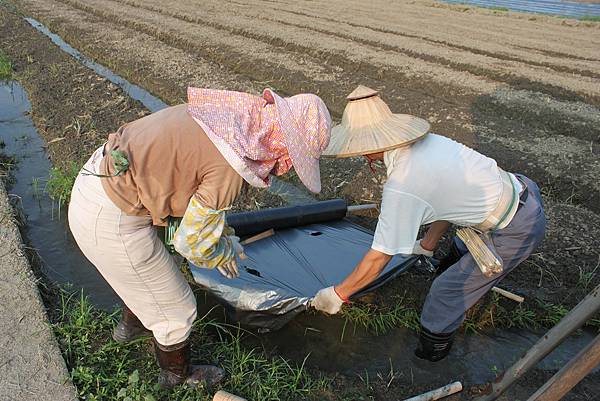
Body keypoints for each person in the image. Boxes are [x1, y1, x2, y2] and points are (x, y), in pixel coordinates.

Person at [68, 87, 331, 387]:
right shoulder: (230, 167)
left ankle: (132, 328)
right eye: (291, 159)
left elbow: (188, 181)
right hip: (109, 216)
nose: (287, 168)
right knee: (178, 308)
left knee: (150, 279)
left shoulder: (230, 120)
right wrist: (221, 251)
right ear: (284, 147)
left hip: (99, 180)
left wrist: (222, 232)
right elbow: (191, 242)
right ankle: (176, 375)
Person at [311, 85, 545, 362]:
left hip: (517, 228)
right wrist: (428, 243)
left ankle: (431, 356)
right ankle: (451, 271)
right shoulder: (430, 143)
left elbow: (378, 258)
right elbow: (446, 199)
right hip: (519, 190)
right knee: (460, 247)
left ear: (366, 147)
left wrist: (338, 294)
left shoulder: (403, 184)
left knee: (444, 294)